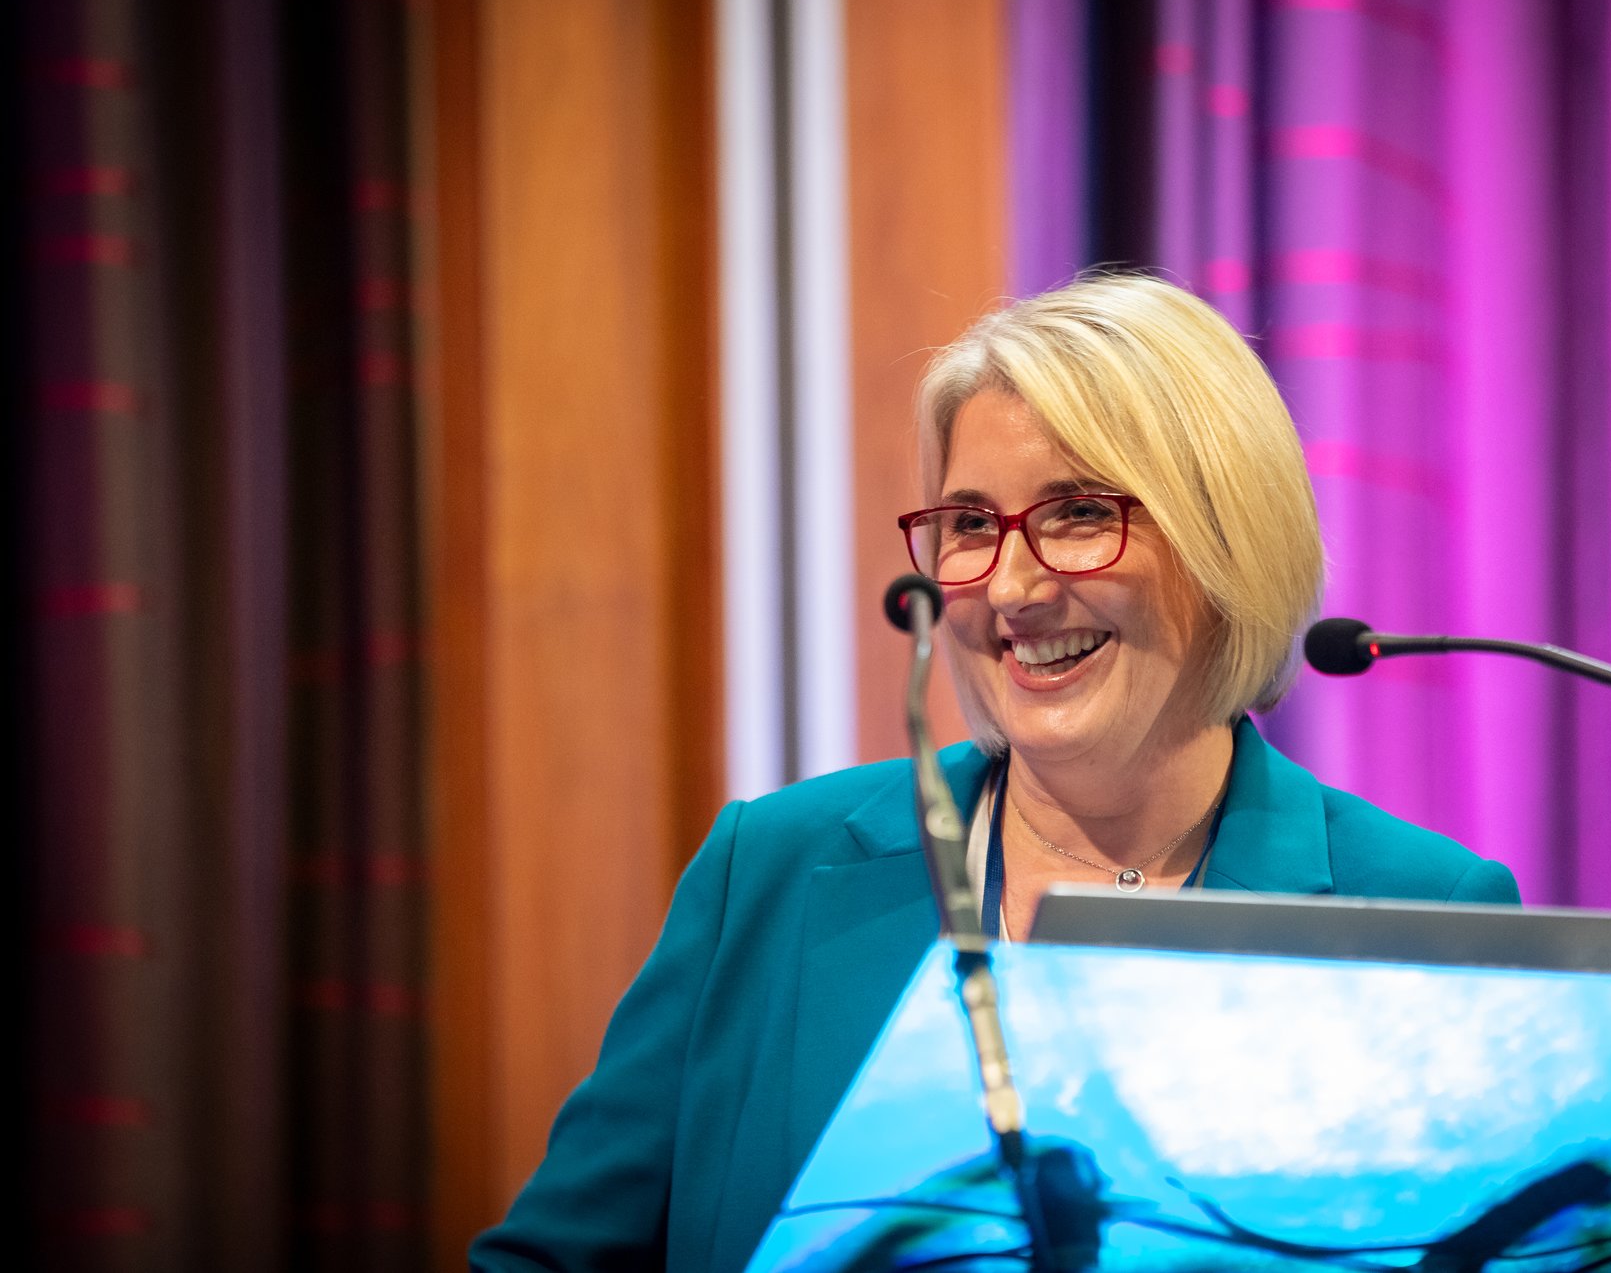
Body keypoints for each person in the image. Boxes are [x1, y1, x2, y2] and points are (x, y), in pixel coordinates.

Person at [471, 274, 1519, 1272]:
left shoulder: (1428, 915)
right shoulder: (770, 871)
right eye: (970, 525)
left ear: (1224, 541)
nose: (1010, 587)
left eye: (1074, 513)